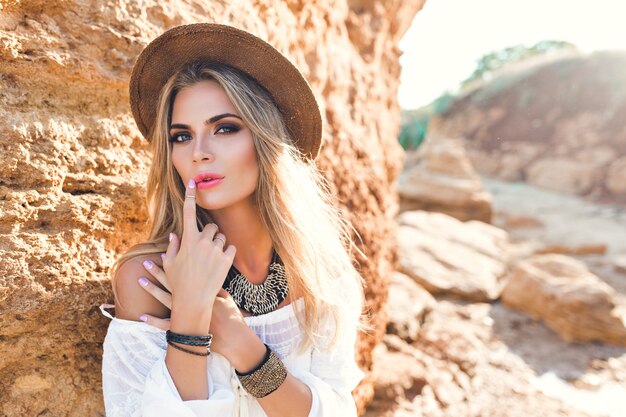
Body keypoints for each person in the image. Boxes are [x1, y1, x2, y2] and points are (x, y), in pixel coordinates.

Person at [99, 23, 366, 417]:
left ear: (266, 139)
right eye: (181, 136)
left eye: (224, 128)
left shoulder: (320, 273)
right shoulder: (147, 279)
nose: (200, 152)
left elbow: (338, 410)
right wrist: (189, 321)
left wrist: (242, 345)